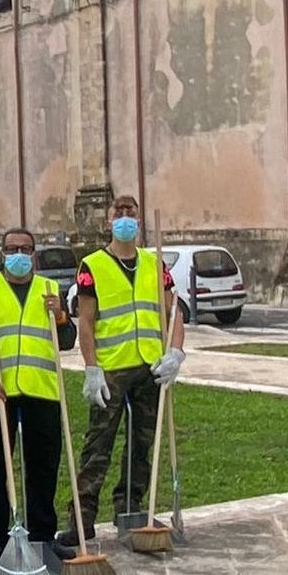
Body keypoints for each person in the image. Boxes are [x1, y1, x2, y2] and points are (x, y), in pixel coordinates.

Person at [58, 196, 184, 546]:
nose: (126, 219)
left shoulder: (153, 262)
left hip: (150, 365)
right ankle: (81, 518)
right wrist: (91, 368)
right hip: (112, 368)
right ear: (108, 220)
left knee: (142, 443)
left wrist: (175, 351)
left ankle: (130, 507)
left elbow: (174, 312)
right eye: (119, 213)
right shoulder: (93, 265)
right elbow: (85, 322)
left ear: (139, 219)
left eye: (132, 213)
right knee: (98, 445)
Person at [0, 228, 77, 568]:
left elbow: (67, 339)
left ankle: (42, 535)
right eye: (12, 248)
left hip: (41, 391)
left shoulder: (49, 290)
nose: (18, 254)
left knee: (43, 468)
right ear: (1, 253)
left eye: (25, 249)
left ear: (34, 254)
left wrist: (60, 315)